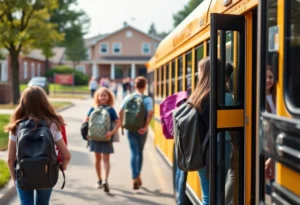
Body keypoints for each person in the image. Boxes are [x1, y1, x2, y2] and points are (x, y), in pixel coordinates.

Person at [5, 86, 71, 205]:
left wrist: (15, 179)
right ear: (44, 102)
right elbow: (66, 155)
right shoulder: (52, 125)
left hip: (24, 173)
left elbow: (10, 159)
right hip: (46, 172)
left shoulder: (16, 126)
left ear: (23, 102)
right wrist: (62, 166)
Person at [188, 57, 233, 205]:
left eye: (199, 71)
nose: (197, 74)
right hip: (222, 148)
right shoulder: (227, 98)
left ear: (204, 73)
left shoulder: (196, 98)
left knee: (207, 196)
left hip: (201, 150)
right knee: (218, 195)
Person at [119, 76, 154, 189]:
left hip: (130, 129)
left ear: (135, 85)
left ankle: (134, 177)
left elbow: (120, 111)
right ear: (145, 86)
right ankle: (138, 174)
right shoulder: (147, 99)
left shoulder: (128, 97)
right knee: (140, 152)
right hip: (141, 130)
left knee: (134, 152)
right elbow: (150, 113)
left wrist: (122, 124)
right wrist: (145, 126)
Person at [84, 87, 121, 192]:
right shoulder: (110, 109)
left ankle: (102, 180)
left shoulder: (94, 109)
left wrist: (88, 133)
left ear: (108, 97)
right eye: (101, 95)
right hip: (105, 138)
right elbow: (118, 123)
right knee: (103, 160)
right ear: (98, 97)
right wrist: (111, 133)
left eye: (105, 95)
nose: (103, 97)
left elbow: (85, 121)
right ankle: (103, 180)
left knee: (100, 160)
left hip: (97, 137)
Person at [265, 65, 276, 195]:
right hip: (267, 141)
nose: (268, 80)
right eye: (266, 77)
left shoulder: (277, 96)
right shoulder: (257, 98)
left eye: (271, 77)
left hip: (274, 138)